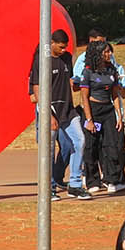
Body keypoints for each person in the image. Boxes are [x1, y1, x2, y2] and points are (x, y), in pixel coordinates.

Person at [29, 30, 89, 201]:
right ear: (52, 43)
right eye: (61, 47)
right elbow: (36, 88)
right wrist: (48, 115)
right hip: (50, 111)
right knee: (48, 149)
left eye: (65, 47)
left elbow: (69, 81)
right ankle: (49, 188)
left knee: (79, 141)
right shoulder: (42, 60)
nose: (63, 50)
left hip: (67, 110)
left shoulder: (67, 58)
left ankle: (75, 185)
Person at [79, 40, 125, 195]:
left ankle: (111, 179)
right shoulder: (88, 72)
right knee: (91, 146)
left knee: (112, 145)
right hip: (93, 110)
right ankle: (92, 181)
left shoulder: (111, 70)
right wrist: (89, 120)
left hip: (108, 110)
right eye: (106, 52)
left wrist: (119, 115)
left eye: (109, 51)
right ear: (98, 54)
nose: (109, 54)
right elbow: (84, 97)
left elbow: (115, 94)